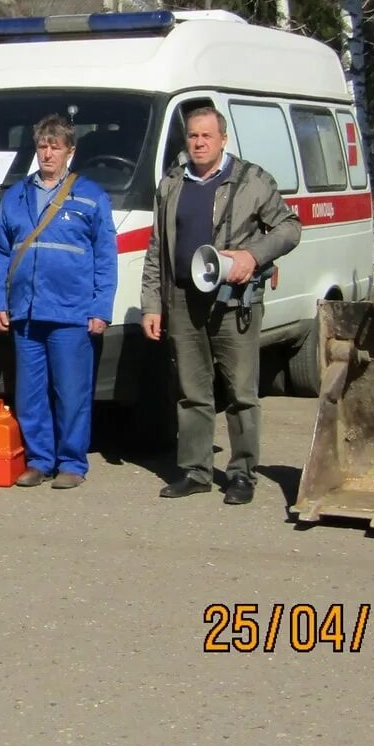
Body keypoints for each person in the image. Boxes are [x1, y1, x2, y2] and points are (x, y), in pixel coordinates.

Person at [141, 104, 301, 505]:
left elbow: (289, 227)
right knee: (191, 391)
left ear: (223, 139)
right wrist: (152, 304)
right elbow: (157, 247)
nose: (198, 143)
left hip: (234, 302)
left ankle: (242, 473)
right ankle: (195, 470)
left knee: (241, 392)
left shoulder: (251, 180)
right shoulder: (172, 183)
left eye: (206, 136)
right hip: (181, 298)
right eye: (193, 136)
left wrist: (253, 257)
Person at [0, 116, 117, 489]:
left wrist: (100, 308)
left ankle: (72, 463)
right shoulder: (17, 195)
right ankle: (40, 460)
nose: (47, 153)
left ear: (70, 152)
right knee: (29, 394)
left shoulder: (90, 195)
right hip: (26, 311)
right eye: (43, 146)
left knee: (71, 392)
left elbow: (105, 255)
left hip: (71, 311)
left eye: (55, 146)